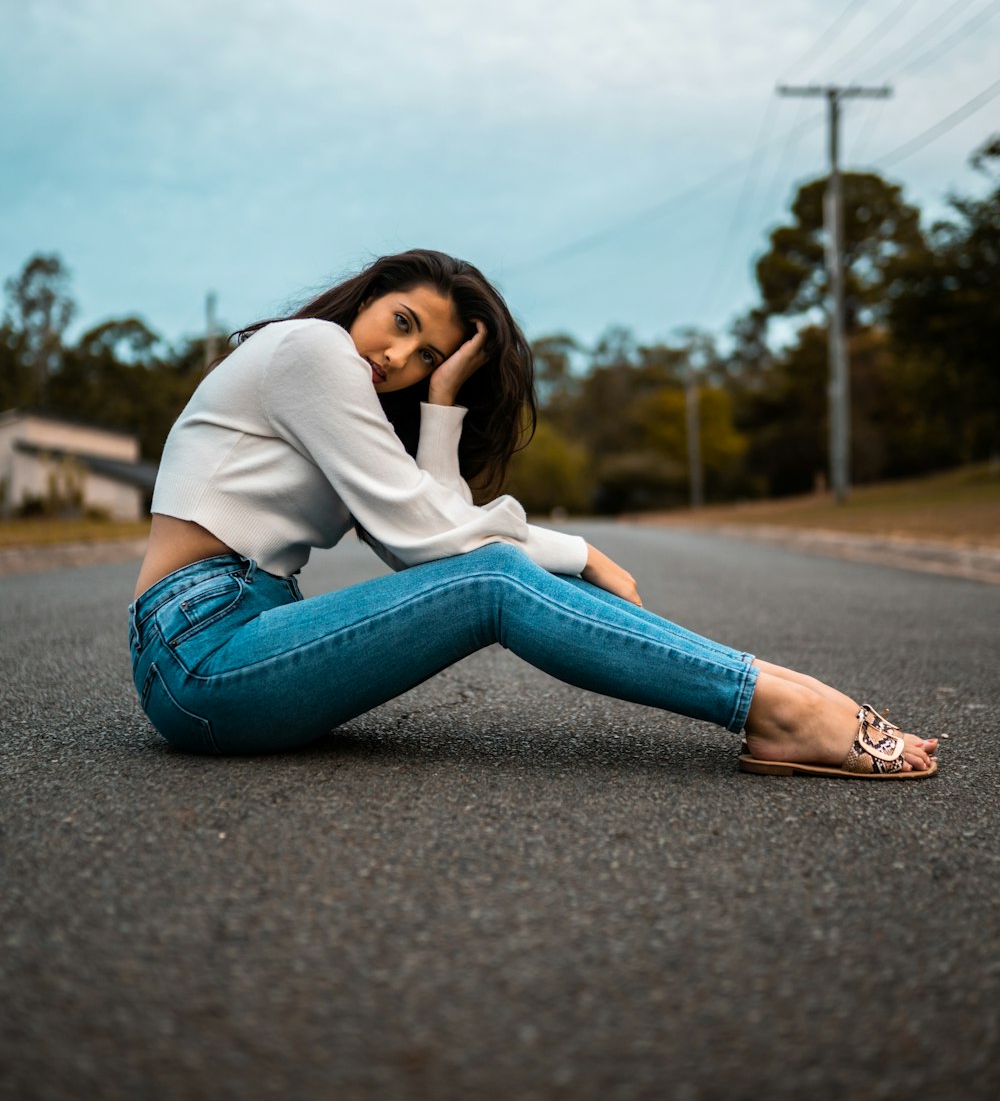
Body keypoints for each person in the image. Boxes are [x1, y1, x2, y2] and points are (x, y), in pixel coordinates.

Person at [129, 249, 937, 779]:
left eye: (429, 358)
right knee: (496, 581)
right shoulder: (311, 349)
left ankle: (781, 693)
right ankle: (782, 706)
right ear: (370, 295)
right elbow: (430, 541)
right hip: (202, 646)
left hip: (238, 633)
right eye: (401, 324)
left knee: (492, 572)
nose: (399, 360)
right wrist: (579, 551)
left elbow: (426, 528)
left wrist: (441, 408)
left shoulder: (350, 397)